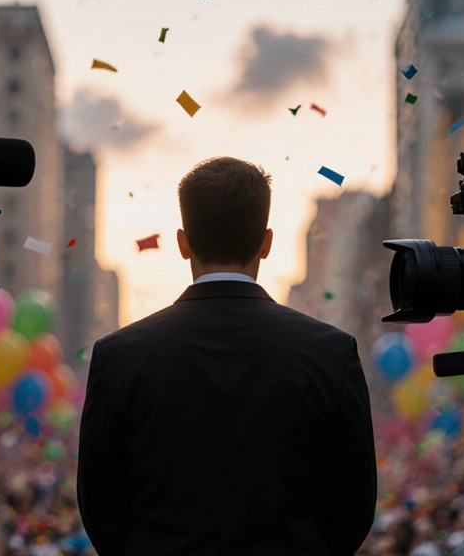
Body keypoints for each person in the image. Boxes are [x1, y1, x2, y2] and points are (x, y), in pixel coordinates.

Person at [77, 156, 377, 556]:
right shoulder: (331, 352)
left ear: (183, 244)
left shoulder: (118, 357)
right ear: (266, 243)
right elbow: (353, 507)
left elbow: (100, 507)